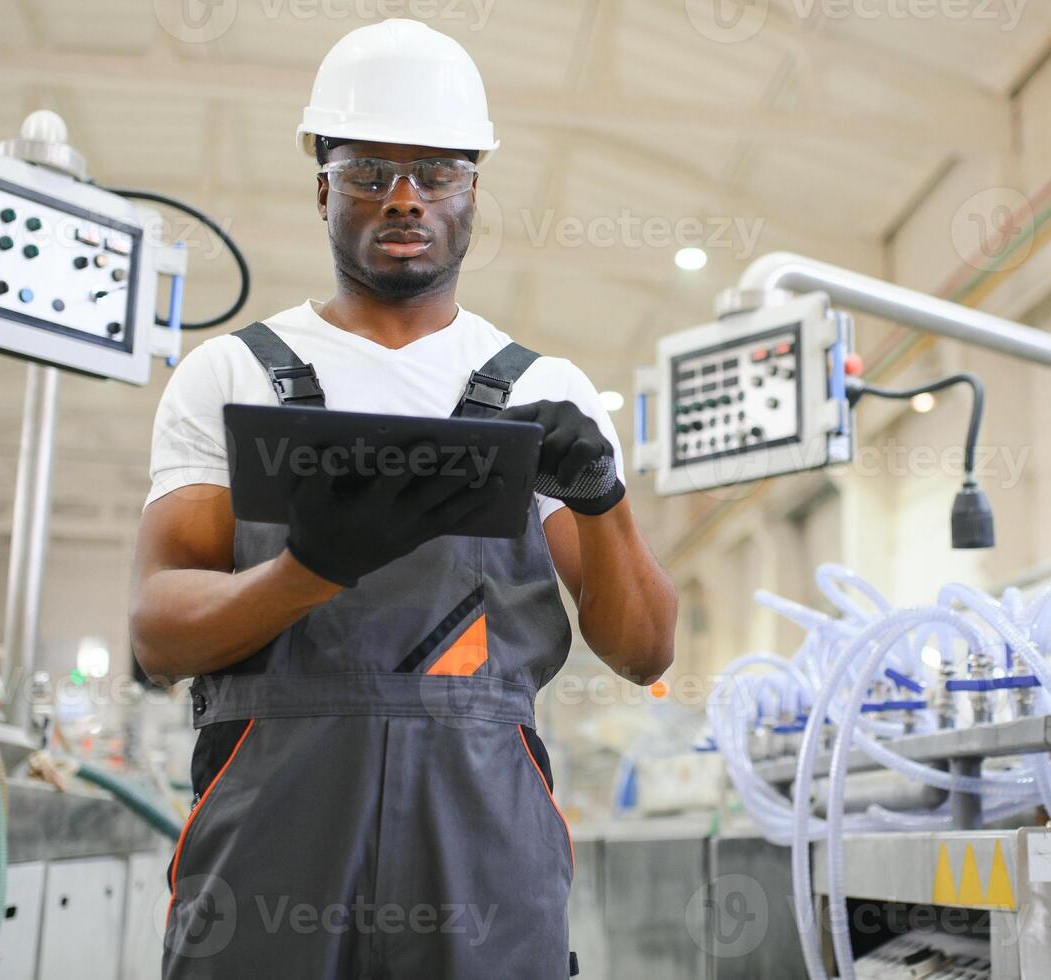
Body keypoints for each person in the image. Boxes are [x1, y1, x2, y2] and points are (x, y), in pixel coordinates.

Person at [131, 19, 677, 979]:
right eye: (368, 172)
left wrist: (602, 496)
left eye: (435, 173)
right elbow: (159, 633)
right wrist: (311, 572)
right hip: (271, 823)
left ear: (473, 190)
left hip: (480, 828)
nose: (403, 199)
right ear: (322, 188)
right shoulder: (231, 375)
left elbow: (642, 652)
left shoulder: (542, 391)